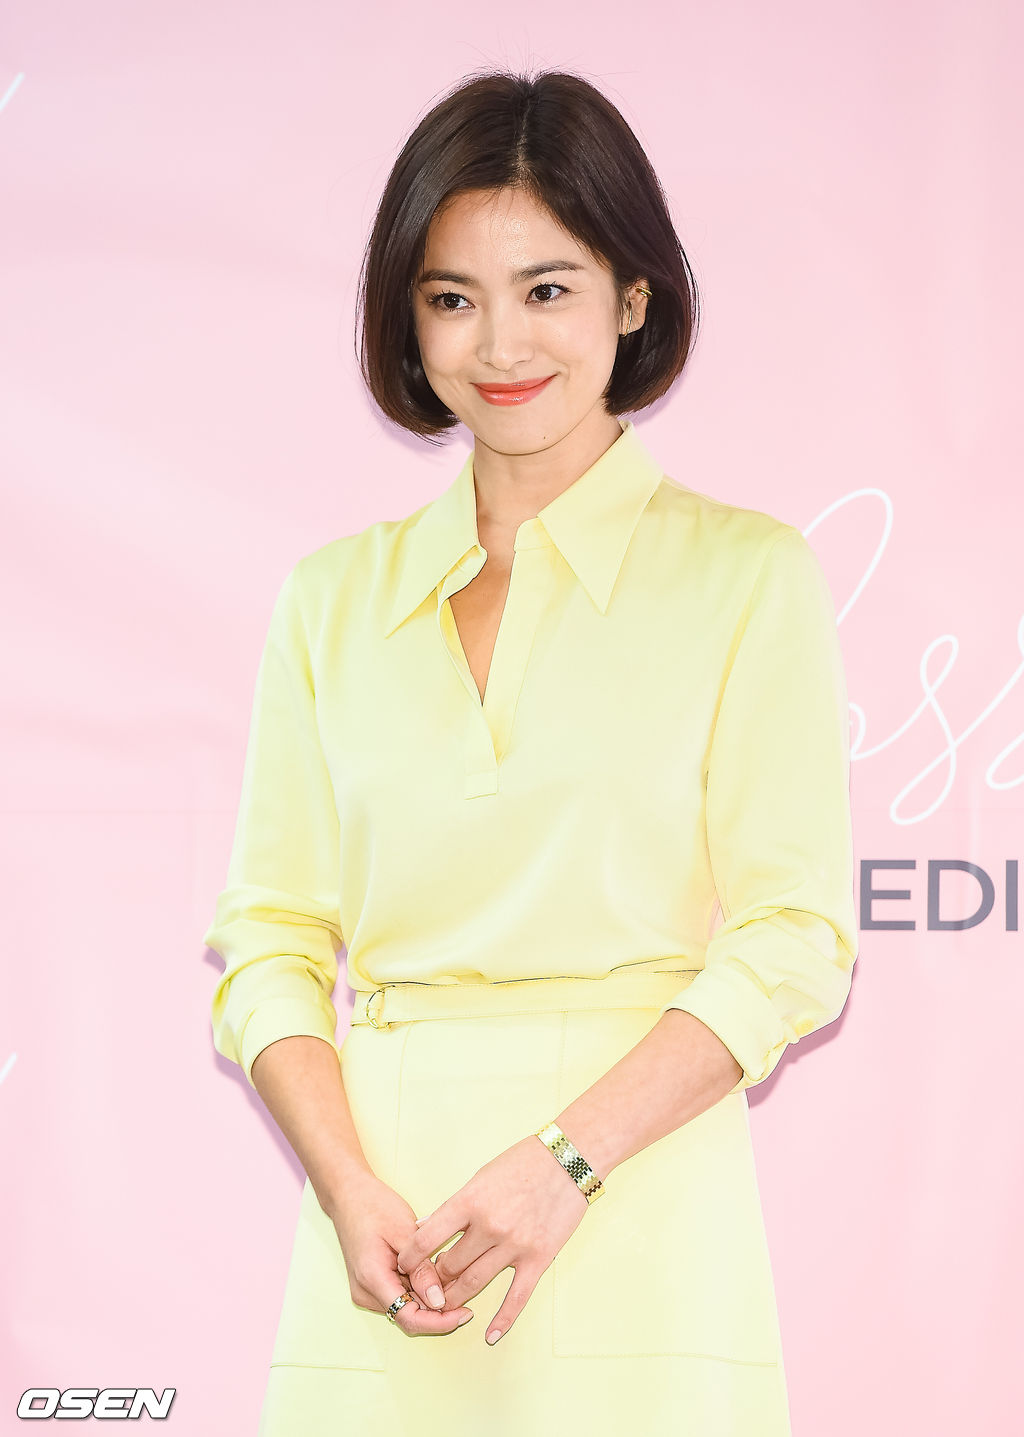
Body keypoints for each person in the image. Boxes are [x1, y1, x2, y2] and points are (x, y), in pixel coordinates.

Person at [203, 66, 858, 1437]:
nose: (499, 343)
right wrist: (345, 1185)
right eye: (452, 298)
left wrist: (567, 1160)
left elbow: (795, 937)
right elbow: (269, 940)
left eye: (547, 288)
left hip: (639, 1196)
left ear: (633, 297)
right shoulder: (330, 600)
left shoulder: (747, 576)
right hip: (385, 1231)